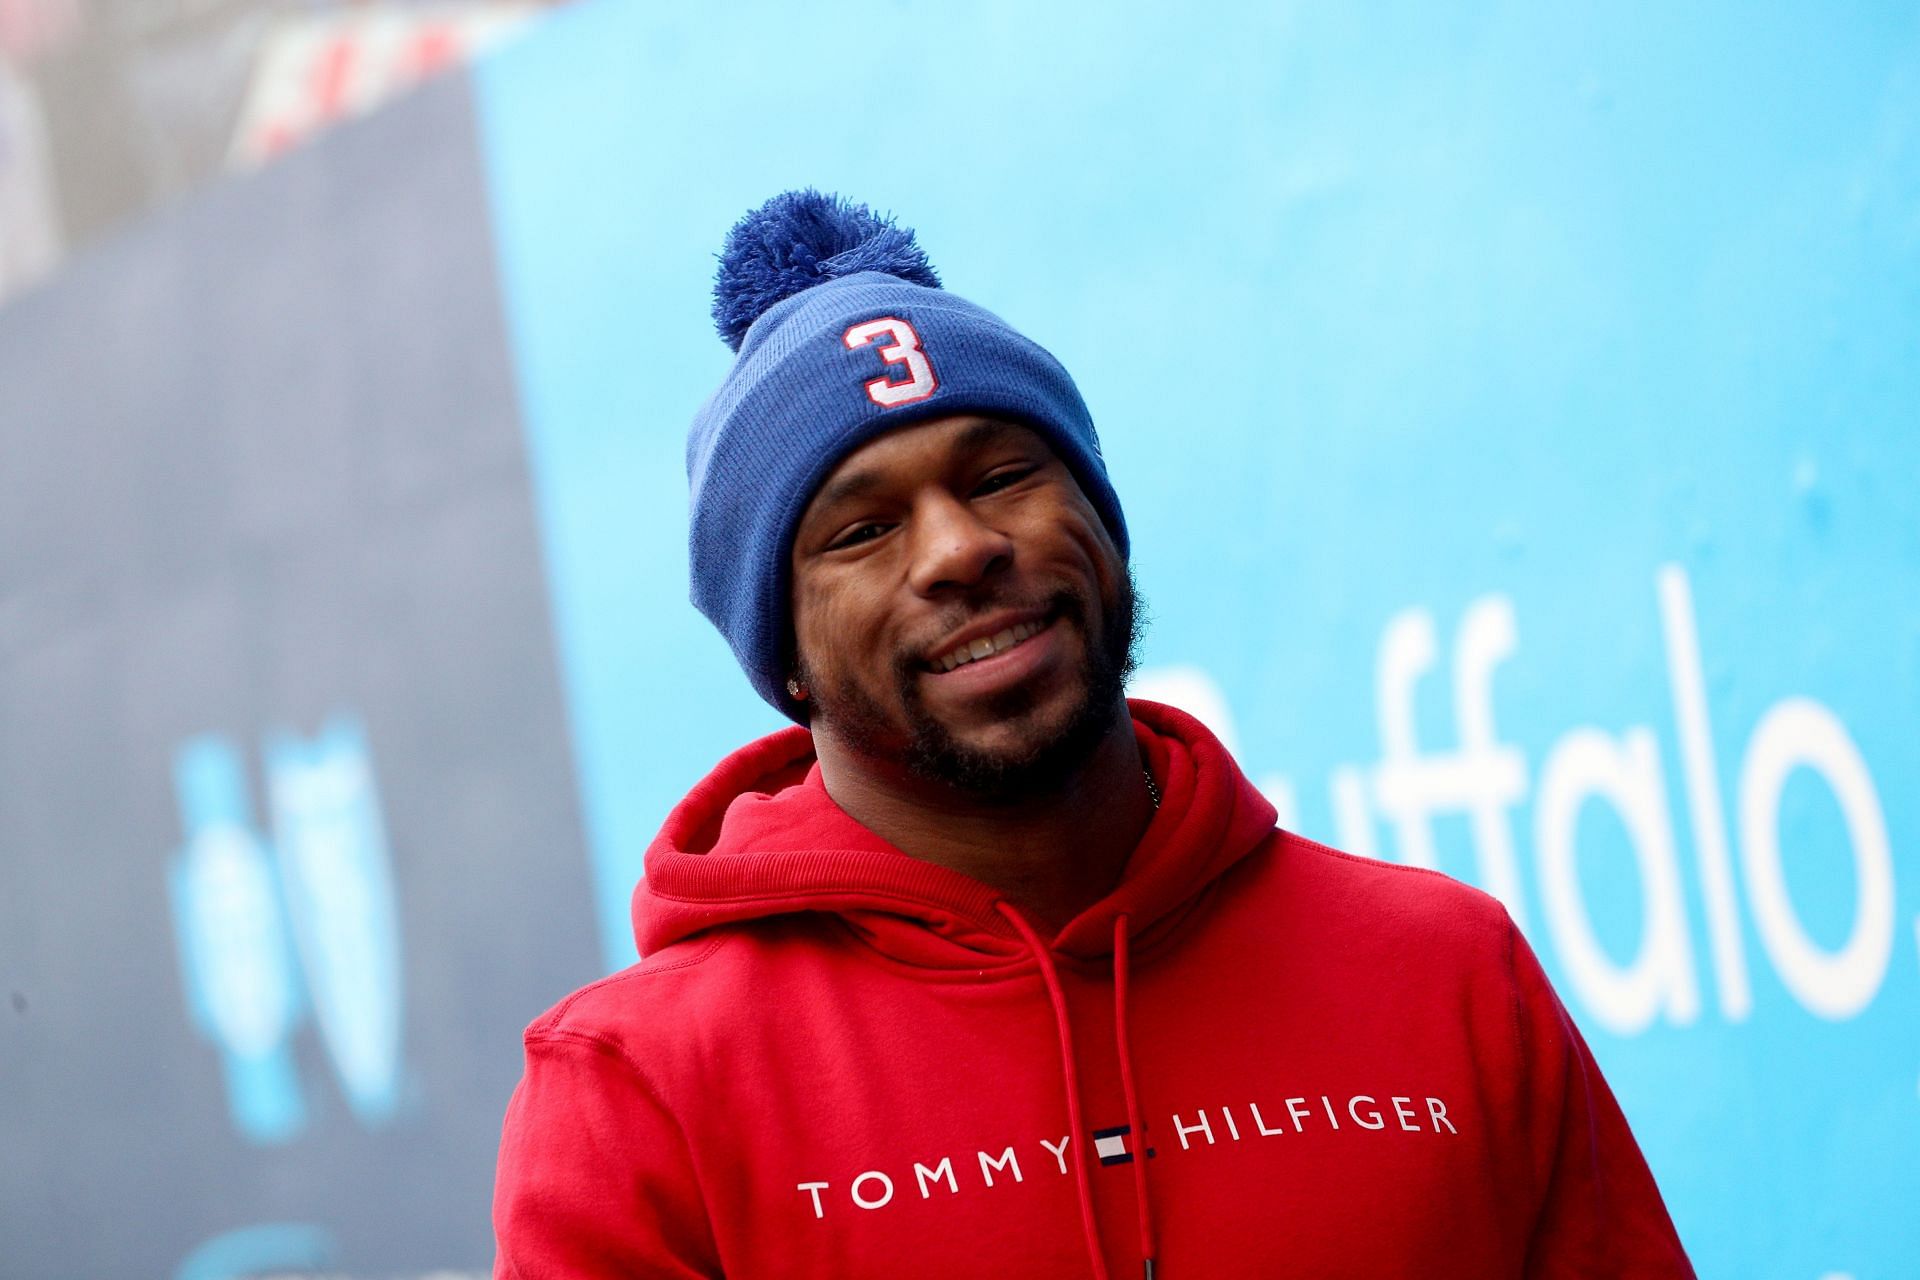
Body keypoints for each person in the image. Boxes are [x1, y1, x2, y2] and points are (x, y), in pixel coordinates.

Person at [490, 190, 1695, 1279]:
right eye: (860, 530)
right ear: (783, 658)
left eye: (1004, 472)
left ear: (1102, 519)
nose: (961, 548)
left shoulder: (1446, 967)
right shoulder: (636, 1093)